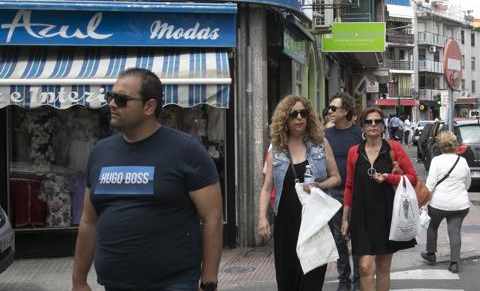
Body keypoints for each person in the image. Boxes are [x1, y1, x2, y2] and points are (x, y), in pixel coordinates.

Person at [72, 68, 223, 291]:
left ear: (149, 106)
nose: (112, 104)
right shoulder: (100, 153)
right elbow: (88, 221)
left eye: (121, 99)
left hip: (173, 283)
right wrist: (79, 281)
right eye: (110, 97)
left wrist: (208, 283)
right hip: (115, 284)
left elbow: (213, 218)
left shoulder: (186, 150)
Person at [258, 95, 341, 291]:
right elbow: (267, 187)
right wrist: (262, 218)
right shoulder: (276, 150)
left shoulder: (320, 145)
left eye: (303, 113)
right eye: (293, 114)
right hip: (286, 226)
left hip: (315, 225)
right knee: (287, 282)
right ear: (284, 119)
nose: (299, 118)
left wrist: (318, 186)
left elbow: (336, 177)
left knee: (311, 283)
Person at [341, 107, 419, 291]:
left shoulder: (393, 149)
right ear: (362, 126)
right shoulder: (354, 152)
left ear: (383, 126)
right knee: (365, 267)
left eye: (377, 121)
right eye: (369, 121)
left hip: (387, 215)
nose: (373, 125)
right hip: (361, 217)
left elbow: (413, 177)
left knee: (383, 267)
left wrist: (388, 177)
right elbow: (349, 186)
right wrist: (345, 218)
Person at [324, 93, 363, 291]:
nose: (329, 112)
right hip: (334, 194)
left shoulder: (359, 134)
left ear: (345, 111)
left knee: (356, 238)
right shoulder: (325, 135)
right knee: (339, 238)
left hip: (357, 194)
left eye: (333, 108)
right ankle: (344, 279)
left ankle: (357, 280)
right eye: (329, 108)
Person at [420, 131, 471, 274]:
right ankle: (454, 263)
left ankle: (431, 254)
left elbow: (430, 185)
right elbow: (468, 182)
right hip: (460, 205)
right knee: (454, 231)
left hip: (438, 204)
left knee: (432, 225)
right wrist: (461, 190)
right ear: (455, 144)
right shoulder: (462, 161)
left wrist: (423, 201)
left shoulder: (436, 161)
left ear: (439, 145)